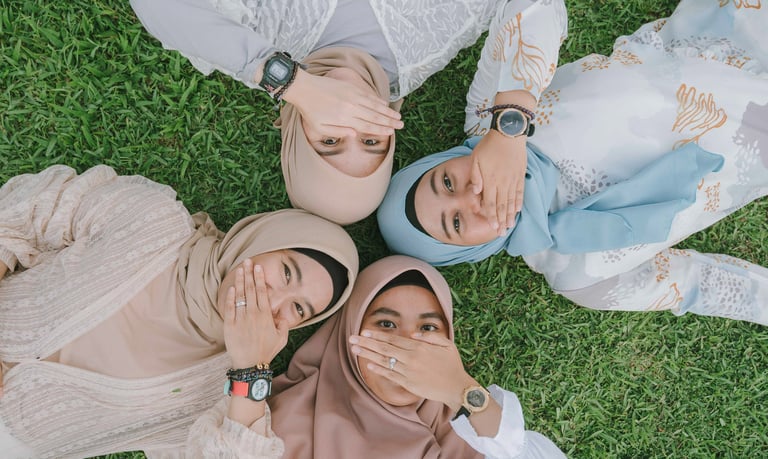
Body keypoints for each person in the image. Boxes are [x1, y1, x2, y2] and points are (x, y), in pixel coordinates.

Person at [377, 0, 768, 324]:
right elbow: (701, 284)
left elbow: (534, 6)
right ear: (470, 252)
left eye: (446, 182)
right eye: (457, 223)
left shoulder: (487, 119)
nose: (473, 195)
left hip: (739, 31)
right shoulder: (579, 276)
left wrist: (508, 128)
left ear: (447, 159)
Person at [0, 164, 358, 457]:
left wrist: (251, 369)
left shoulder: (216, 392)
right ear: (260, 241)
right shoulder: (154, 221)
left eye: (298, 308)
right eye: (284, 272)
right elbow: (31, 209)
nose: (272, 301)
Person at [129, 0, 566, 224]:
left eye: (330, 141)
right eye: (372, 140)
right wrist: (510, 127)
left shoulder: (255, 42)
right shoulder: (429, 45)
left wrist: (291, 82)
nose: (350, 121)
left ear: (292, 126)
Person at [187, 254, 566, 458]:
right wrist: (250, 371)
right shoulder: (271, 422)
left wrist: (463, 391)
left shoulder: (463, 443)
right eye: (385, 325)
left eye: (429, 329)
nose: (408, 345)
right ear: (347, 337)